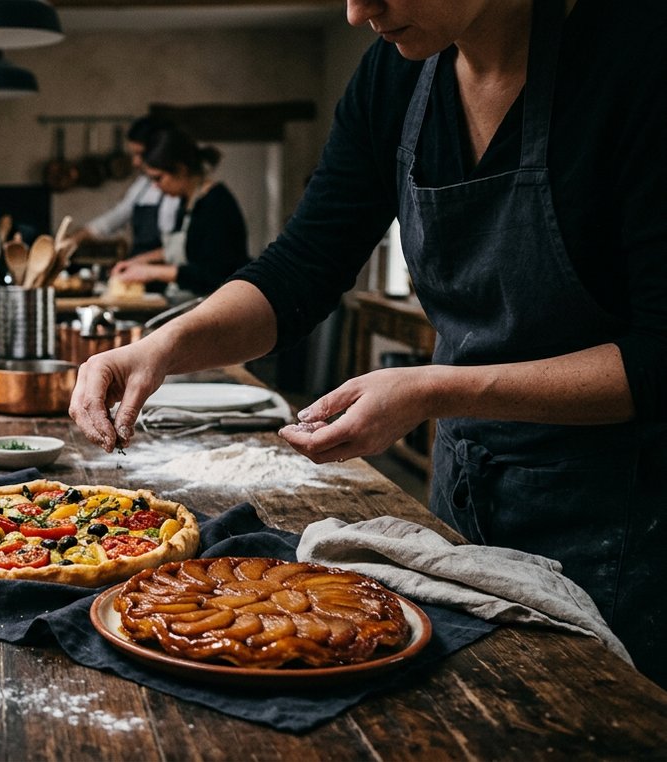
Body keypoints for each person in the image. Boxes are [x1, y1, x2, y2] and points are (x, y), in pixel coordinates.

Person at [69, 0, 667, 687]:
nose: (357, 12)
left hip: (625, 515)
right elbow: (302, 268)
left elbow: (658, 356)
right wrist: (161, 347)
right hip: (468, 488)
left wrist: (436, 388)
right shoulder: (396, 76)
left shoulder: (639, 59)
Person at [109, 131, 250, 296]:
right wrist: (139, 261)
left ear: (181, 170)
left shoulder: (216, 204)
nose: (155, 187)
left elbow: (214, 274)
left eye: (158, 178)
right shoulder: (187, 201)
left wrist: (151, 272)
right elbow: (187, 248)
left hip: (216, 302)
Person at [73, 116, 181, 258]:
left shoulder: (179, 190)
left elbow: (180, 249)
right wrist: (77, 237)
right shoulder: (143, 184)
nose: (135, 162)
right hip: (139, 270)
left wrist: (143, 262)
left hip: (165, 271)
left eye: (140, 154)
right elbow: (118, 215)